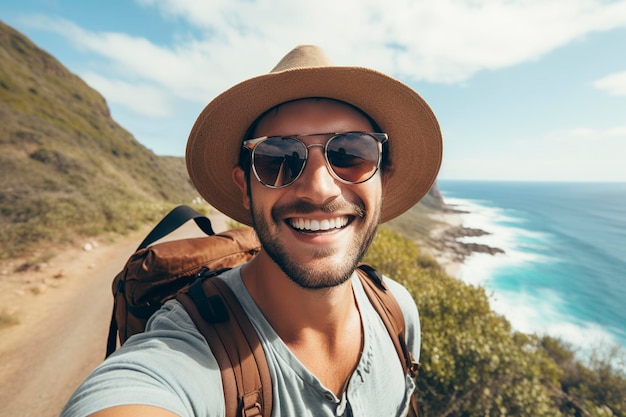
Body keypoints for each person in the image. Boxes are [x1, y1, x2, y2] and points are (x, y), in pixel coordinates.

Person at [61, 45, 443, 417]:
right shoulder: (189, 352)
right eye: (277, 158)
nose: (319, 188)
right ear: (245, 187)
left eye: (350, 154)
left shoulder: (397, 312)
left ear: (384, 181)